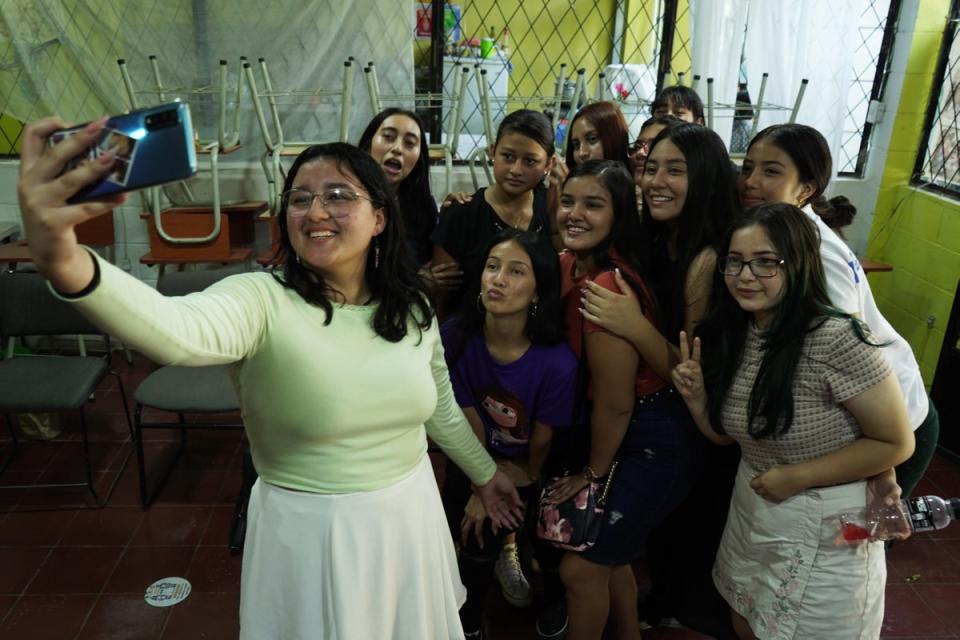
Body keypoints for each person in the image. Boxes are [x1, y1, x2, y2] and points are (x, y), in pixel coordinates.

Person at [18, 117, 524, 640]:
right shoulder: (262, 300)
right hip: (309, 536)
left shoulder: (412, 307)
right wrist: (65, 260)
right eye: (299, 199)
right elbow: (176, 331)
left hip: (406, 519)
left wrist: (486, 476)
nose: (316, 211)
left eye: (336, 195)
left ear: (379, 217)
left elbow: (438, 404)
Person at [672, 203, 914, 639]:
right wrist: (697, 399)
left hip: (827, 525)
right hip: (756, 512)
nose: (746, 276)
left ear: (798, 263)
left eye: (766, 262)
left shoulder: (837, 338)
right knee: (746, 621)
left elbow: (896, 443)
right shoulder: (743, 331)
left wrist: (796, 476)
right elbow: (733, 440)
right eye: (736, 262)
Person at [578, 123, 740, 638]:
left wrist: (632, 325)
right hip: (646, 416)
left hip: (689, 430)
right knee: (621, 557)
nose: (656, 182)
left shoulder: (709, 260)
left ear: (707, 179)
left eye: (676, 170)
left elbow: (691, 374)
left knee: (590, 563)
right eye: (651, 169)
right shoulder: (657, 240)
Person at [739, 124, 939, 504]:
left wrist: (882, 467)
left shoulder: (818, 255)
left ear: (806, 188)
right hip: (870, 424)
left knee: (852, 547)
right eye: (747, 168)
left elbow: (851, 352)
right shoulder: (778, 235)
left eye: (771, 171)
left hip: (893, 424)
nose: (751, 181)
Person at [547, 159, 700, 640]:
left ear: (619, 217)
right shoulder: (570, 262)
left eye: (594, 205)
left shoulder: (606, 286)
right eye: (568, 201)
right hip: (622, 432)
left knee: (582, 569)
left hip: (651, 438)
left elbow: (616, 402)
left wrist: (589, 474)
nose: (575, 214)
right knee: (611, 560)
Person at [441, 228, 578, 639]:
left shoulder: (557, 361)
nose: (496, 279)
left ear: (538, 293)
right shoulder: (455, 336)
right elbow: (470, 423)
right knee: (474, 529)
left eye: (515, 272)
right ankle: (468, 621)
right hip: (473, 453)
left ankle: (552, 595)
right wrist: (482, 483)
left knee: (550, 532)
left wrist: (522, 476)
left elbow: (542, 441)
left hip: (536, 462)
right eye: (491, 267)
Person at [432, 109, 557, 318]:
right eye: (508, 156)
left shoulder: (551, 211)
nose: (516, 170)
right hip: (468, 337)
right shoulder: (461, 214)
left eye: (530, 161)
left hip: (535, 336)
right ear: (492, 152)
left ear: (549, 163)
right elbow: (441, 299)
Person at [358, 108, 462, 291]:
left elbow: (429, 263)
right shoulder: (347, 202)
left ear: (418, 158)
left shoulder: (422, 206)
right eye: (388, 137)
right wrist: (413, 281)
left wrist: (449, 216)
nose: (397, 149)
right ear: (369, 145)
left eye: (409, 143)